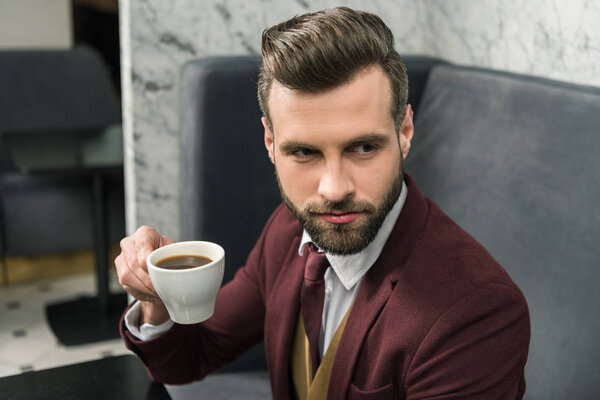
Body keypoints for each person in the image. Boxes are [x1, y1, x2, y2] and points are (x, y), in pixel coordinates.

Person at [116, 6, 530, 399]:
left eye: (364, 147)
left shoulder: (476, 313)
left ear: (404, 131)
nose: (333, 190)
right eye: (304, 153)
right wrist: (155, 302)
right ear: (270, 143)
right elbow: (189, 356)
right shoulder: (287, 231)